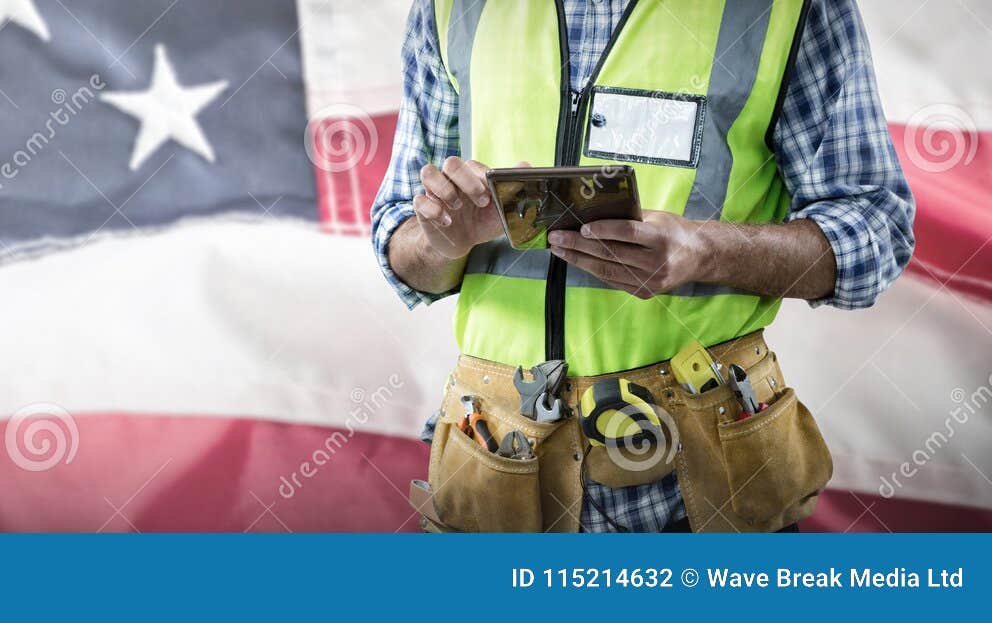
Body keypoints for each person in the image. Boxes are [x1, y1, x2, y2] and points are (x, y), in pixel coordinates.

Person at [374, 0, 914, 532]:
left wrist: (707, 249)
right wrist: (442, 239)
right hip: (500, 474)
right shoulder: (451, 8)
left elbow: (877, 231)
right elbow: (399, 244)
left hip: (702, 484)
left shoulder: (791, 9)